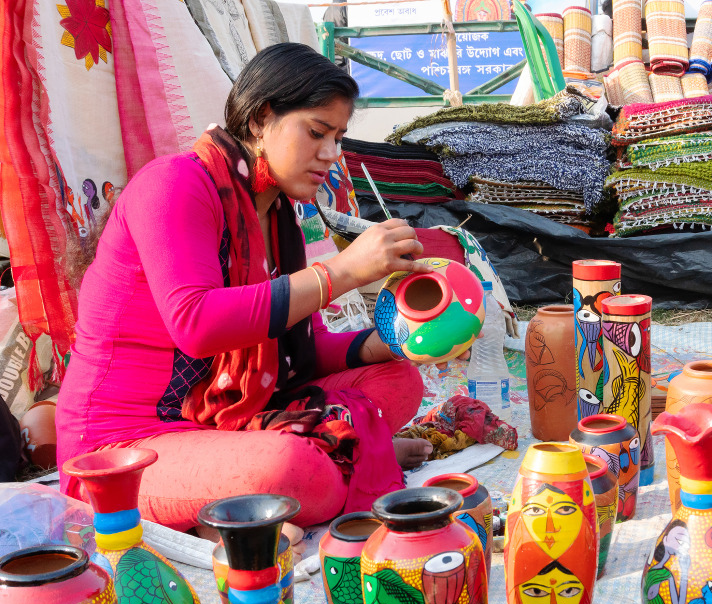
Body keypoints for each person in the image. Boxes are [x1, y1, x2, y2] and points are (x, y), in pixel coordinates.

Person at [55, 43, 437, 531]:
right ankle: (347, 456)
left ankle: (337, 457)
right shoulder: (173, 185)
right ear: (260, 119)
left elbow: (298, 354)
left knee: (398, 379)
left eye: (339, 137)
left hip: (220, 419)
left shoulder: (278, 220)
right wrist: (343, 272)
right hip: (121, 447)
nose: (331, 154)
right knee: (291, 470)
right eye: (317, 132)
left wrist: (388, 342)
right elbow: (197, 322)